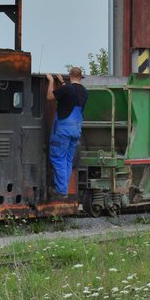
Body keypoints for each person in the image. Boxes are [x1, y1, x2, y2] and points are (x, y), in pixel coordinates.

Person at [47, 66, 88, 200]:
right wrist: (63, 83)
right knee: (68, 160)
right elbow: (71, 96)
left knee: (58, 158)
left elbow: (50, 97)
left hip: (63, 129)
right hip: (76, 129)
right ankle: (64, 187)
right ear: (80, 77)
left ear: (69, 75)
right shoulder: (84, 92)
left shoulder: (66, 89)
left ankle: (62, 190)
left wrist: (51, 82)